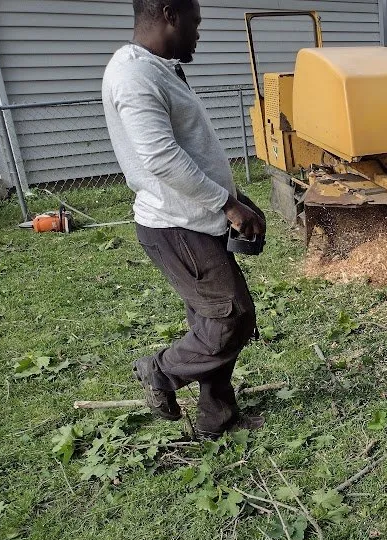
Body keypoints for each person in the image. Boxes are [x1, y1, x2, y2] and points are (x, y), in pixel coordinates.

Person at [102, 0, 267, 439]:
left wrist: (235, 196)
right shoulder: (134, 76)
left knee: (211, 318)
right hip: (177, 222)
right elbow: (160, 158)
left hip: (197, 215)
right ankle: (159, 371)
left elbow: (190, 148)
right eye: (195, 24)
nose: (198, 34)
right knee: (230, 318)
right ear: (170, 14)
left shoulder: (157, 68)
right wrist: (227, 205)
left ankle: (218, 418)